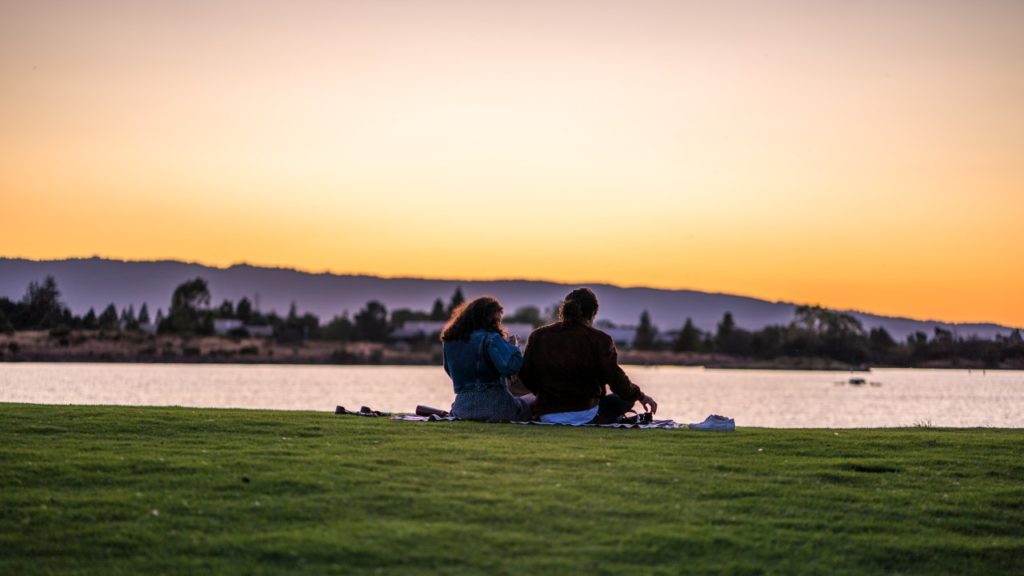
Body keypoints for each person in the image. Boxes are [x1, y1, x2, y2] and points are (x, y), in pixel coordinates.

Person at [519, 288, 657, 425]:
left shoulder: (538, 336)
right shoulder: (601, 340)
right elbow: (617, 381)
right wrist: (641, 396)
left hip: (546, 414)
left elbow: (525, 374)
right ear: (593, 314)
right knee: (625, 399)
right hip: (586, 414)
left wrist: (545, 395)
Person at [441, 296, 534, 422]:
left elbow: (449, 370)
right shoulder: (491, 338)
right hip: (496, 407)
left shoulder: (449, 341)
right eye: (497, 320)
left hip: (462, 408)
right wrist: (513, 347)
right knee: (534, 398)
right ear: (490, 318)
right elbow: (510, 367)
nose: (497, 323)